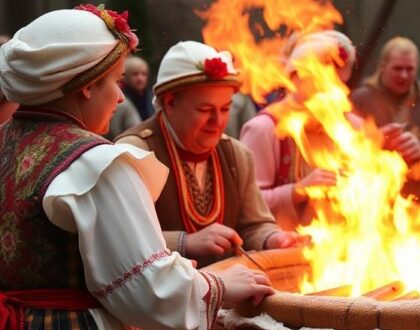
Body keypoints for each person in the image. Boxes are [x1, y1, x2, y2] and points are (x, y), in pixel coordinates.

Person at [0, 6, 272, 329]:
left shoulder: (6, 139)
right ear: (87, 86)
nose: (119, 97)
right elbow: (149, 290)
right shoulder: (96, 164)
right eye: (116, 81)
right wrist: (220, 285)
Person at [116, 41, 301, 267]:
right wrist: (185, 242)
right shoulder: (134, 152)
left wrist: (275, 238)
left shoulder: (237, 154)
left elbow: (255, 225)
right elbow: (119, 239)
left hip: (229, 294)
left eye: (225, 109)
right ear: (170, 102)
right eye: (205, 110)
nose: (218, 121)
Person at [240, 30, 359, 229]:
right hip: (281, 252)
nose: (331, 90)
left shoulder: (353, 126)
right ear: (295, 79)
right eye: (320, 81)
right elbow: (246, 206)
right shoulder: (264, 128)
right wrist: (297, 190)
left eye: (337, 82)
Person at [350, 37, 420, 237]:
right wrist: (377, 142)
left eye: (410, 69)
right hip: (372, 210)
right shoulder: (361, 99)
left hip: (419, 210)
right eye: (397, 68)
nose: (404, 75)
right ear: (382, 67)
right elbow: (344, 152)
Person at [104, 56, 145, 140]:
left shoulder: (148, 97)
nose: (140, 78)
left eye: (143, 74)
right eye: (135, 74)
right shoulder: (121, 103)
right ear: (125, 77)